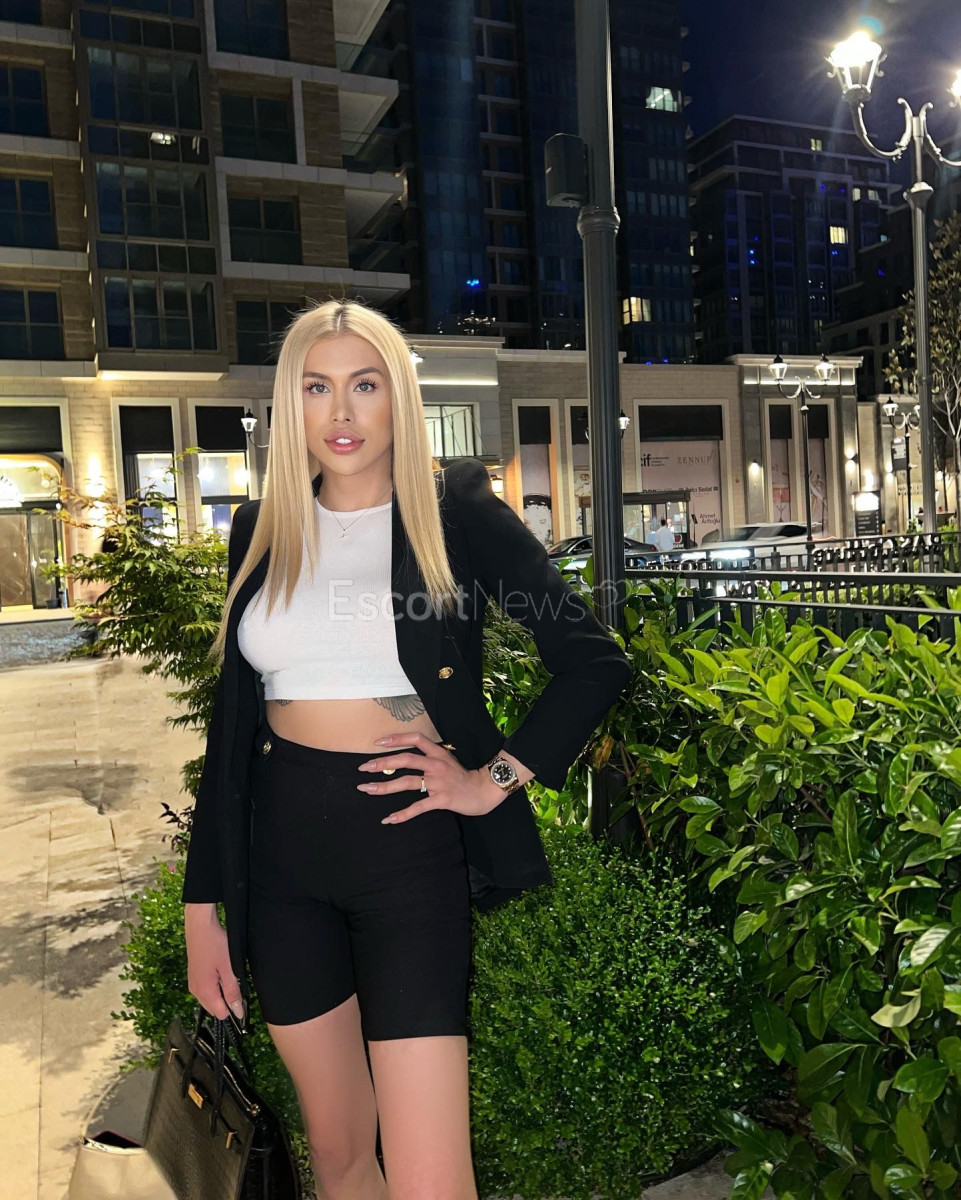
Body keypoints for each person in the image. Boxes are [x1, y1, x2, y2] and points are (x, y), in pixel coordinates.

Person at [181, 298, 632, 1200]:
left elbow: (592, 660)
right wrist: (203, 904)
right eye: (316, 388)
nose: (340, 412)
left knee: (430, 1180)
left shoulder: (455, 514)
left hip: (406, 853)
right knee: (339, 1155)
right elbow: (231, 731)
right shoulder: (258, 528)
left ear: (398, 399)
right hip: (281, 861)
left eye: (364, 384)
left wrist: (491, 780)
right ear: (291, 403)